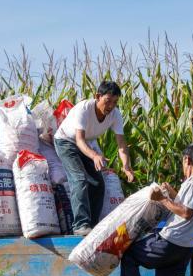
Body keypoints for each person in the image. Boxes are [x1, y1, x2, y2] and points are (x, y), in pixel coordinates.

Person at [120, 144, 193, 276]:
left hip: (171, 241)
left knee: (128, 253)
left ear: (187, 160)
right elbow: (186, 204)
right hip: (185, 247)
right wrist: (171, 192)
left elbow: (187, 212)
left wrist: (161, 199)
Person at [54, 81, 135, 236]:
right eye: (107, 101)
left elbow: (121, 144)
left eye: (115, 102)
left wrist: (126, 166)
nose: (111, 106)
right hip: (66, 142)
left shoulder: (115, 114)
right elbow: (79, 140)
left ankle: (92, 225)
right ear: (98, 96)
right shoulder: (84, 109)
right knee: (79, 179)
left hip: (85, 144)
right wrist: (95, 155)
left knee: (98, 183)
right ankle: (80, 225)